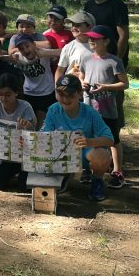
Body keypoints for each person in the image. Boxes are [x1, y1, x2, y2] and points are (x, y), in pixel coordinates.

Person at [42, 74, 114, 202]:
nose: (65, 99)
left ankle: (97, 181)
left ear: (80, 94)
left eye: (70, 95)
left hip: (84, 153)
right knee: (43, 148)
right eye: (60, 94)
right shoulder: (53, 110)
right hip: (61, 153)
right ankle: (63, 174)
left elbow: (109, 139)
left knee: (103, 156)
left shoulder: (90, 113)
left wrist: (89, 142)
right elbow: (43, 135)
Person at [80, 25, 129, 190]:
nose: (91, 40)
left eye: (96, 38)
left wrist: (106, 87)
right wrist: (83, 84)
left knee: (113, 140)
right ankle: (88, 169)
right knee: (88, 137)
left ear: (107, 41)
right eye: (90, 38)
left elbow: (125, 84)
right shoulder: (86, 59)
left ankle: (117, 172)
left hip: (108, 109)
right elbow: (81, 76)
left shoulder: (114, 61)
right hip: (88, 107)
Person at [0, 74, 36, 191]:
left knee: (24, 187)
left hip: (25, 154)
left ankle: (24, 175)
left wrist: (27, 125)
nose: (4, 98)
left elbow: (33, 133)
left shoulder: (25, 107)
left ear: (16, 93)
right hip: (6, 155)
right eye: (1, 94)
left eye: (8, 94)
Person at [10, 33, 61, 128]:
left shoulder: (43, 52)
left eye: (27, 46)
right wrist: (10, 56)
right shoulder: (18, 57)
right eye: (21, 48)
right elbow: (5, 57)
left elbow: (63, 51)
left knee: (42, 121)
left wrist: (45, 54)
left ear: (34, 44)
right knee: (28, 121)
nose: (25, 50)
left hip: (46, 92)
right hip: (28, 92)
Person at [83, 0, 130, 64]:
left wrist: (117, 60)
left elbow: (123, 36)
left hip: (112, 56)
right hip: (93, 55)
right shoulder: (89, 5)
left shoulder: (118, 6)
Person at [54, 11, 95, 82]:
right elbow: (60, 71)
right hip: (72, 89)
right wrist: (58, 90)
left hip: (94, 89)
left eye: (78, 25)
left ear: (89, 26)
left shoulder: (99, 44)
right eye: (72, 25)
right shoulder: (68, 47)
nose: (73, 28)